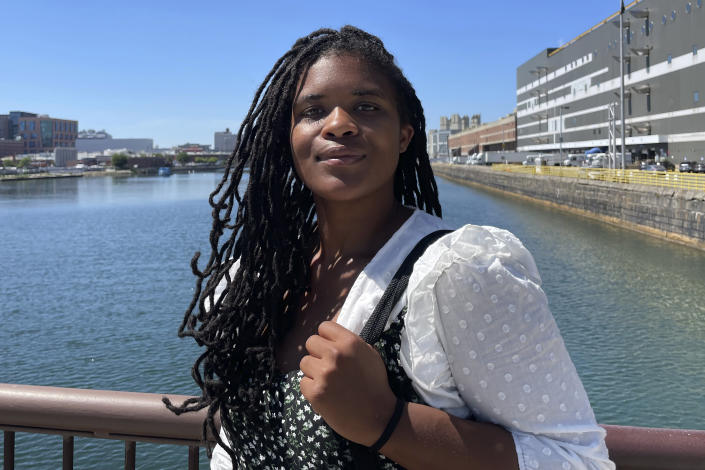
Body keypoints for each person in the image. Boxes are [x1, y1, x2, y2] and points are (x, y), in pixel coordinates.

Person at [165, 26, 614, 470]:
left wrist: (387, 421)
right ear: (289, 138)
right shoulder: (251, 282)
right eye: (313, 110)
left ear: (404, 136)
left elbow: (576, 460)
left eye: (366, 106)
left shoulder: (457, 274)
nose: (339, 124)